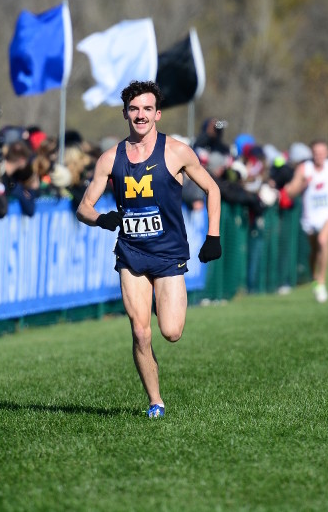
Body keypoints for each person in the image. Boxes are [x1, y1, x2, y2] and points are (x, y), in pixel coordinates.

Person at [76, 81, 221, 419]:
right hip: (131, 254)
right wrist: (102, 219)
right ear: (125, 113)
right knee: (140, 331)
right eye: (134, 109)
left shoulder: (177, 152)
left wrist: (213, 236)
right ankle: (156, 402)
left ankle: (164, 306)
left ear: (157, 114)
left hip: (168, 254)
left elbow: (212, 189)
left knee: (171, 332)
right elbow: (83, 207)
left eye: (146, 109)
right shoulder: (110, 158)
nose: (140, 115)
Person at [281, 140, 328, 302]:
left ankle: (322, 281)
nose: (319, 156)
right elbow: (291, 192)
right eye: (316, 153)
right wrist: (303, 185)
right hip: (310, 217)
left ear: (327, 153)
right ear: (312, 154)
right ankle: (314, 276)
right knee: (314, 250)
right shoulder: (304, 169)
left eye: (322, 152)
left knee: (323, 241)